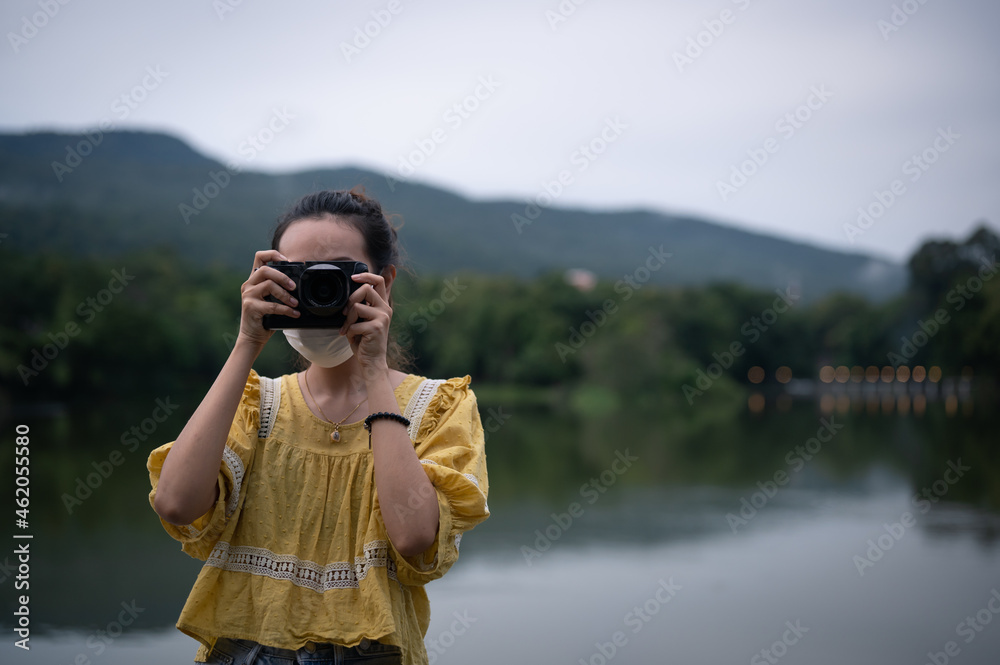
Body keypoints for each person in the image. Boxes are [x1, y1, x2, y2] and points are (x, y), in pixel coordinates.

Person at [146, 188, 490, 665]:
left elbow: (414, 537)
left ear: (383, 283)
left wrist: (374, 369)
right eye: (297, 276)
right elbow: (177, 504)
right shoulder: (256, 406)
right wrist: (247, 340)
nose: (318, 289)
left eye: (336, 275)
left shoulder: (440, 407)